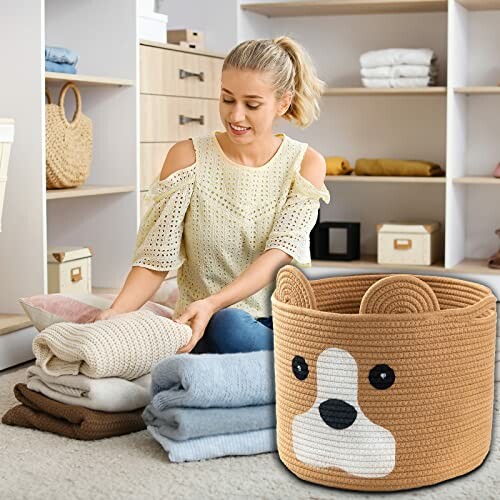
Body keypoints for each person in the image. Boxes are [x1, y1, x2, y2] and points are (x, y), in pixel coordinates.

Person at [95, 36, 331, 354]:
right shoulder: (187, 158)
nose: (235, 116)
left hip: (276, 323)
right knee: (208, 327)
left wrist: (212, 304)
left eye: (252, 104)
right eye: (227, 99)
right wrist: (114, 315)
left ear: (283, 103)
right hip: (199, 322)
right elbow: (155, 259)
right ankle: (293, 368)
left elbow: (278, 255)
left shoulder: (305, 164)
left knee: (228, 324)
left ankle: (301, 360)